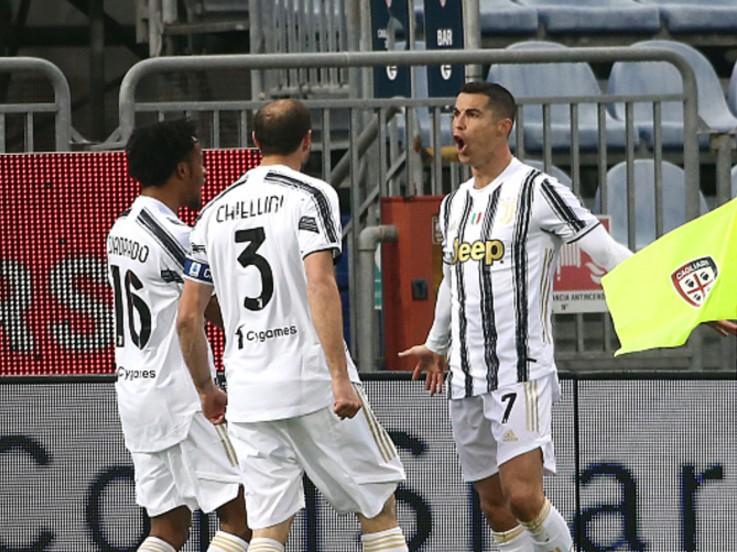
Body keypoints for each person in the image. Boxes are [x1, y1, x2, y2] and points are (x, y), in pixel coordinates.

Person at [399, 82, 633, 552]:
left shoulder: (538, 190)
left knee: (524, 497)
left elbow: (608, 253)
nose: (458, 124)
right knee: (494, 506)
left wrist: (680, 300)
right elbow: (452, 279)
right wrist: (437, 343)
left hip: (519, 371)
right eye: (456, 114)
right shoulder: (453, 205)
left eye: (472, 115)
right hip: (465, 376)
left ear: (503, 126)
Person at [177, 99, 408, 552]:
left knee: (268, 525)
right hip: (310, 380)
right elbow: (320, 283)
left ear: (254, 142)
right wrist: (340, 378)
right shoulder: (311, 194)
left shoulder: (213, 213)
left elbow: (188, 316)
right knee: (377, 505)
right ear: (308, 141)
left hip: (248, 389)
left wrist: (207, 390)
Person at [107, 119, 251, 552]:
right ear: (181, 170)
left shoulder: (122, 229)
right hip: (182, 395)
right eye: (200, 161)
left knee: (167, 527)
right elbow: (207, 310)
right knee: (246, 516)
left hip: (136, 394)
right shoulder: (176, 237)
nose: (206, 171)